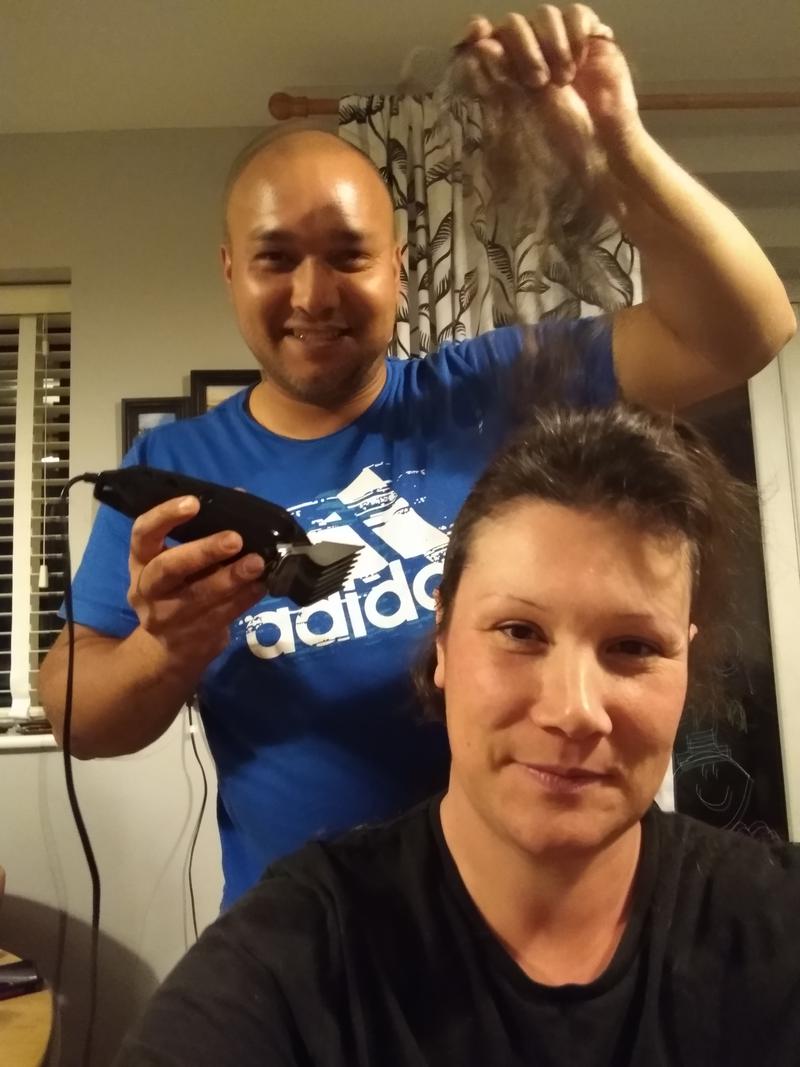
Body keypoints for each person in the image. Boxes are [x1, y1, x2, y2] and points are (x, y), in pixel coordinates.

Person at [39, 6, 795, 908]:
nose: (313, 294)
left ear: (399, 268)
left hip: (538, 928)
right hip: (310, 947)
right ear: (231, 270)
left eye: (347, 256)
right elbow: (78, 714)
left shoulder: (498, 386)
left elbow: (746, 329)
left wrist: (615, 154)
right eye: (276, 259)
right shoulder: (177, 466)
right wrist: (166, 649)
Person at [113, 403, 800, 1066]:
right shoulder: (296, 953)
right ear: (441, 637)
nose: (574, 710)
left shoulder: (775, 922)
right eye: (519, 631)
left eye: (634, 646)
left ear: (686, 659)